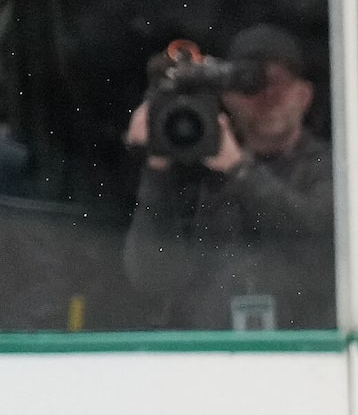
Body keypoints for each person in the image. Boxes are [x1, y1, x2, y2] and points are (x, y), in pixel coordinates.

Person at [121, 23, 333, 331]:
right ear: (229, 98)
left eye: (277, 83)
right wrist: (158, 168)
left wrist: (239, 170)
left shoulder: (330, 165)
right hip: (210, 356)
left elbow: (319, 235)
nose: (265, 97)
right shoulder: (198, 168)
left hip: (304, 354)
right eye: (250, 86)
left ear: (304, 95)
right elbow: (149, 276)